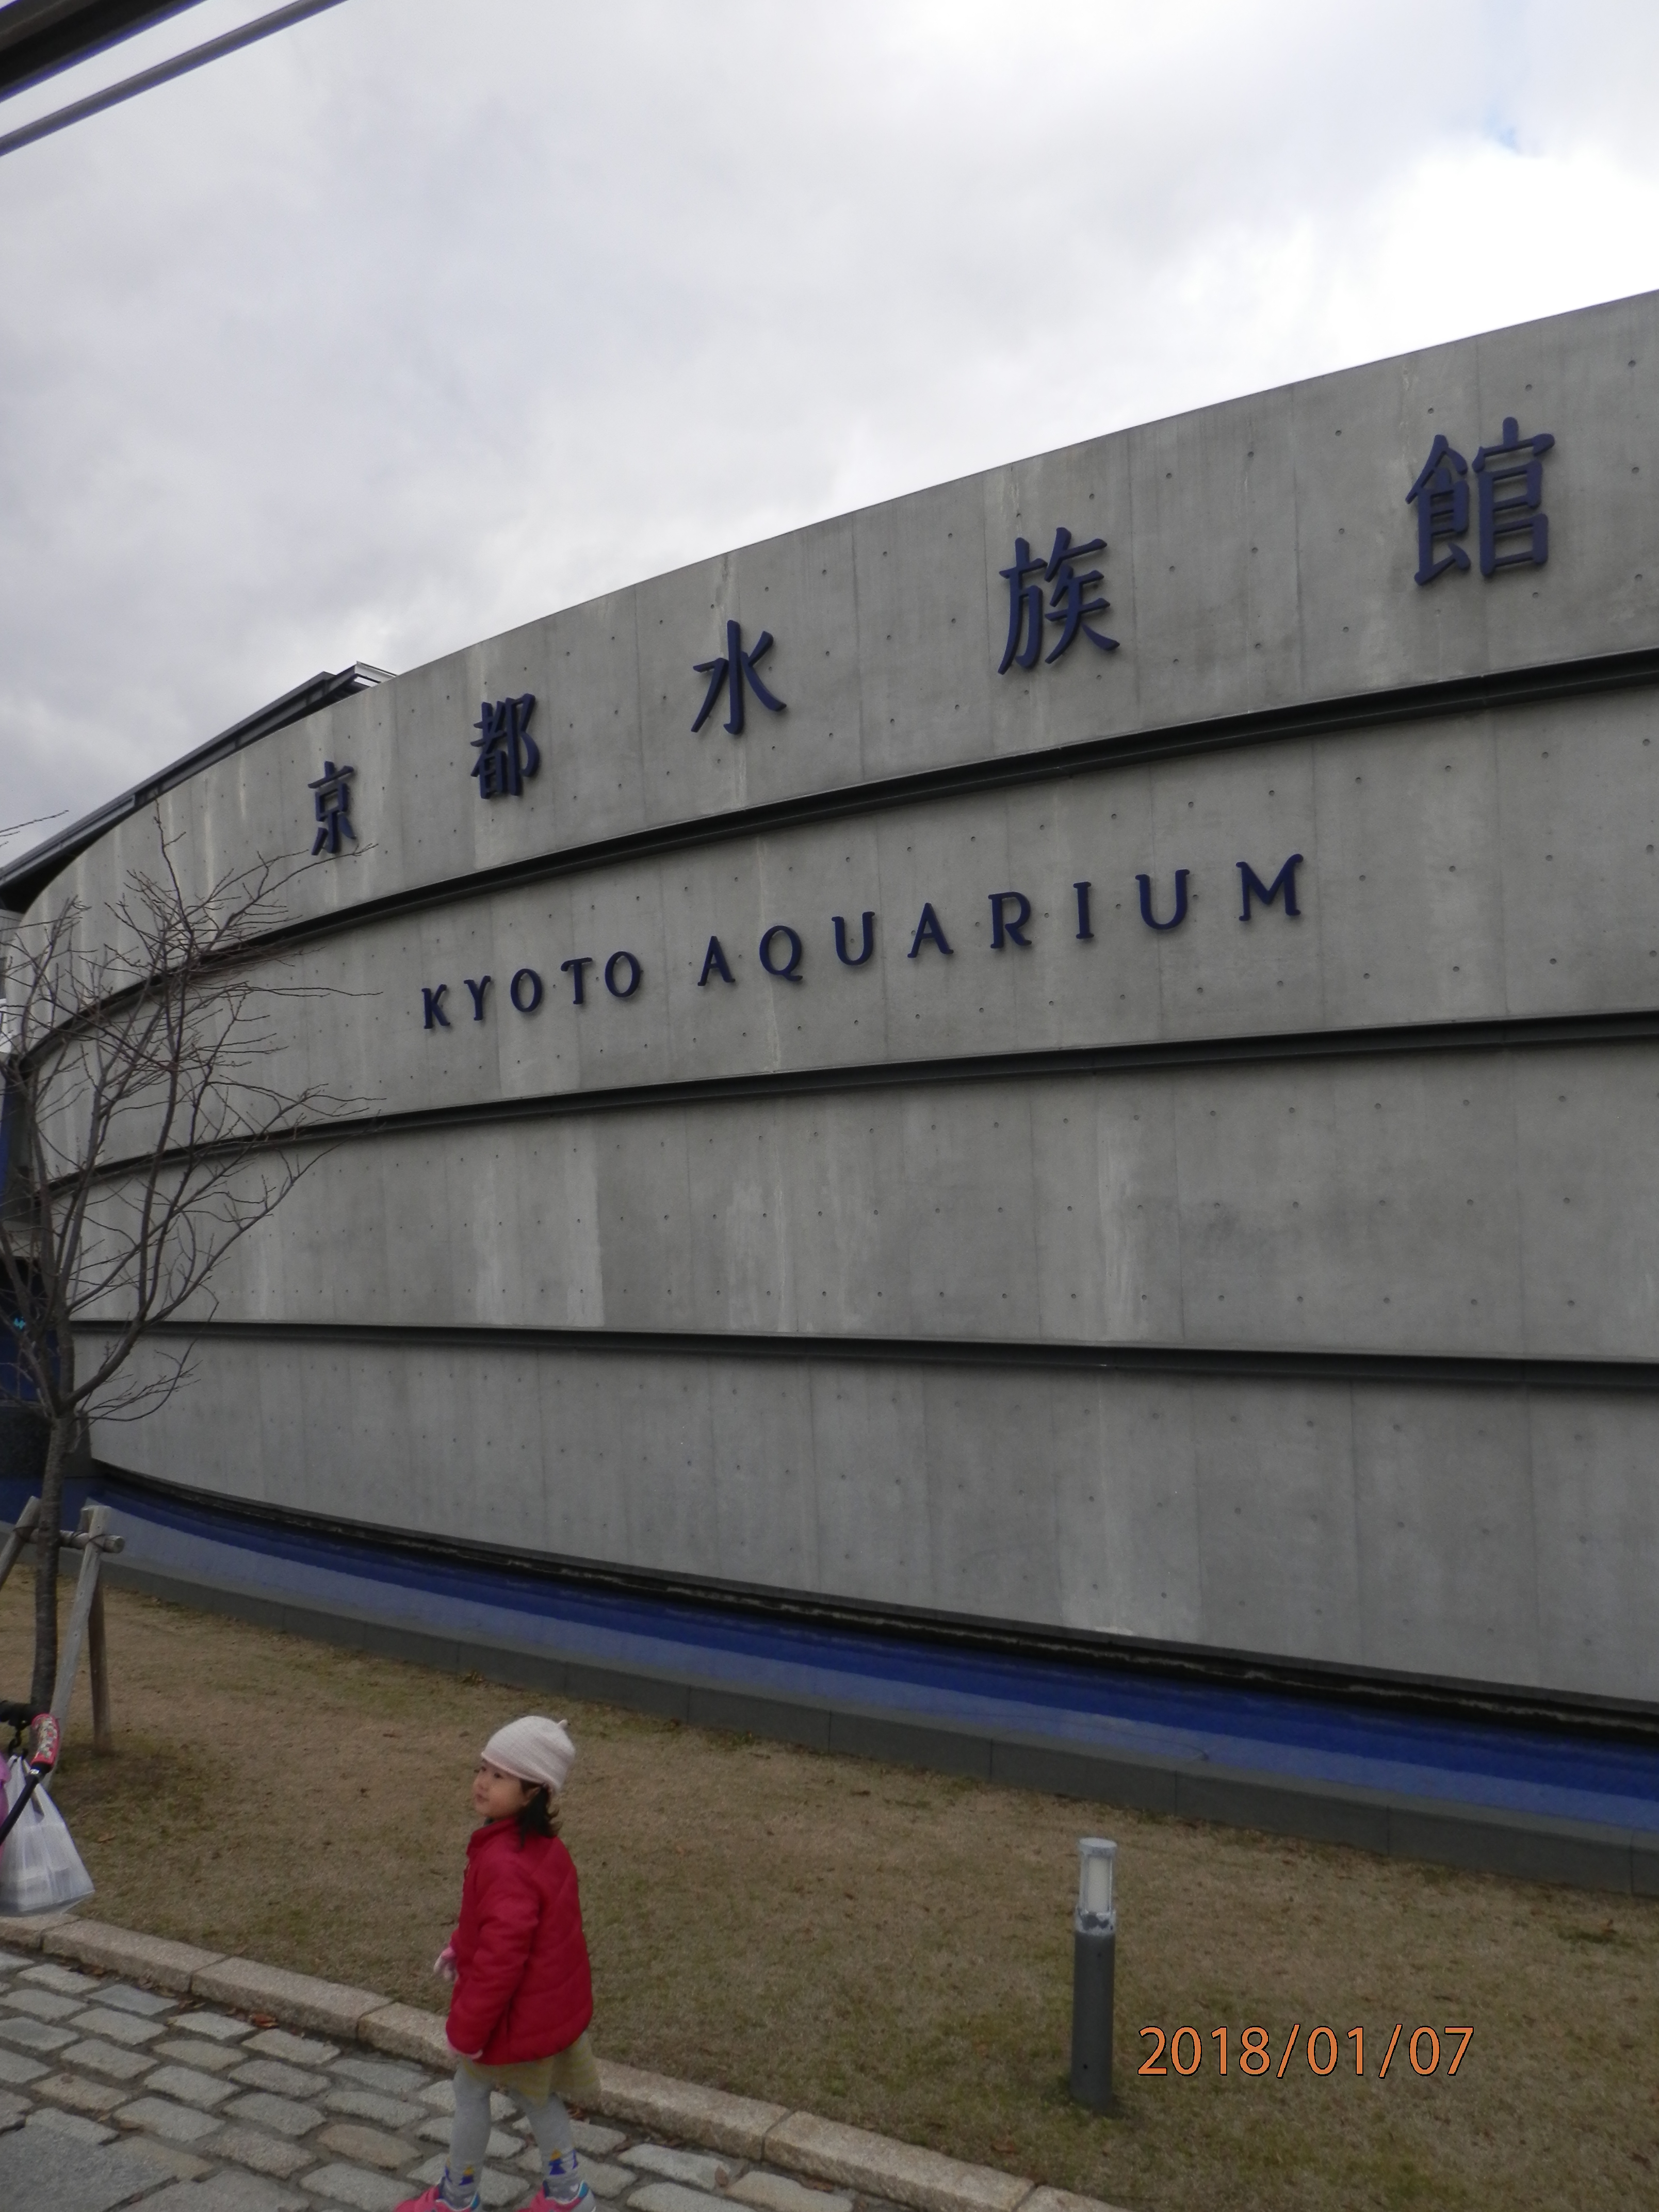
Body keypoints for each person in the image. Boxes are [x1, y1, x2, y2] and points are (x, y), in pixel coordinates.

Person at [398, 1715, 599, 2212]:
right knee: (536, 2098)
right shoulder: (540, 1850)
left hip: (511, 2020)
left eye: (499, 1776)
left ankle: (457, 2196)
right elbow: (500, 1929)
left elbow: (502, 1961)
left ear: (533, 1792)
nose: (482, 1782)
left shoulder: (504, 1862)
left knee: (470, 2089)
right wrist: (459, 1947)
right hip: (540, 2015)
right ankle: (567, 2194)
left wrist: (467, 2030)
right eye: (482, 1768)